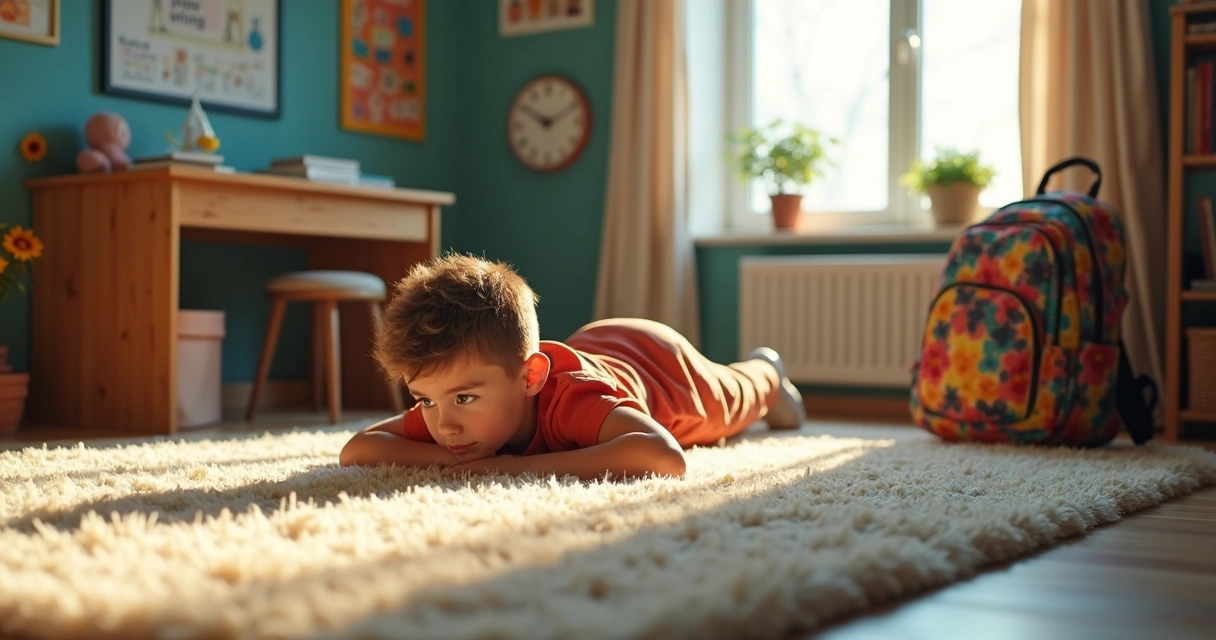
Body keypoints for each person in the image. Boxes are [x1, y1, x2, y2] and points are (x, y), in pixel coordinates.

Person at [338, 253, 806, 480]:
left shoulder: (572, 398)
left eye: (463, 399)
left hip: (661, 366)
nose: (444, 426)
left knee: (733, 402)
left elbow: (664, 457)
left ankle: (767, 368)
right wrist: (456, 461)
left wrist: (512, 467)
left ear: (530, 378)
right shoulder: (453, 404)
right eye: (425, 401)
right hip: (594, 342)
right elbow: (357, 449)